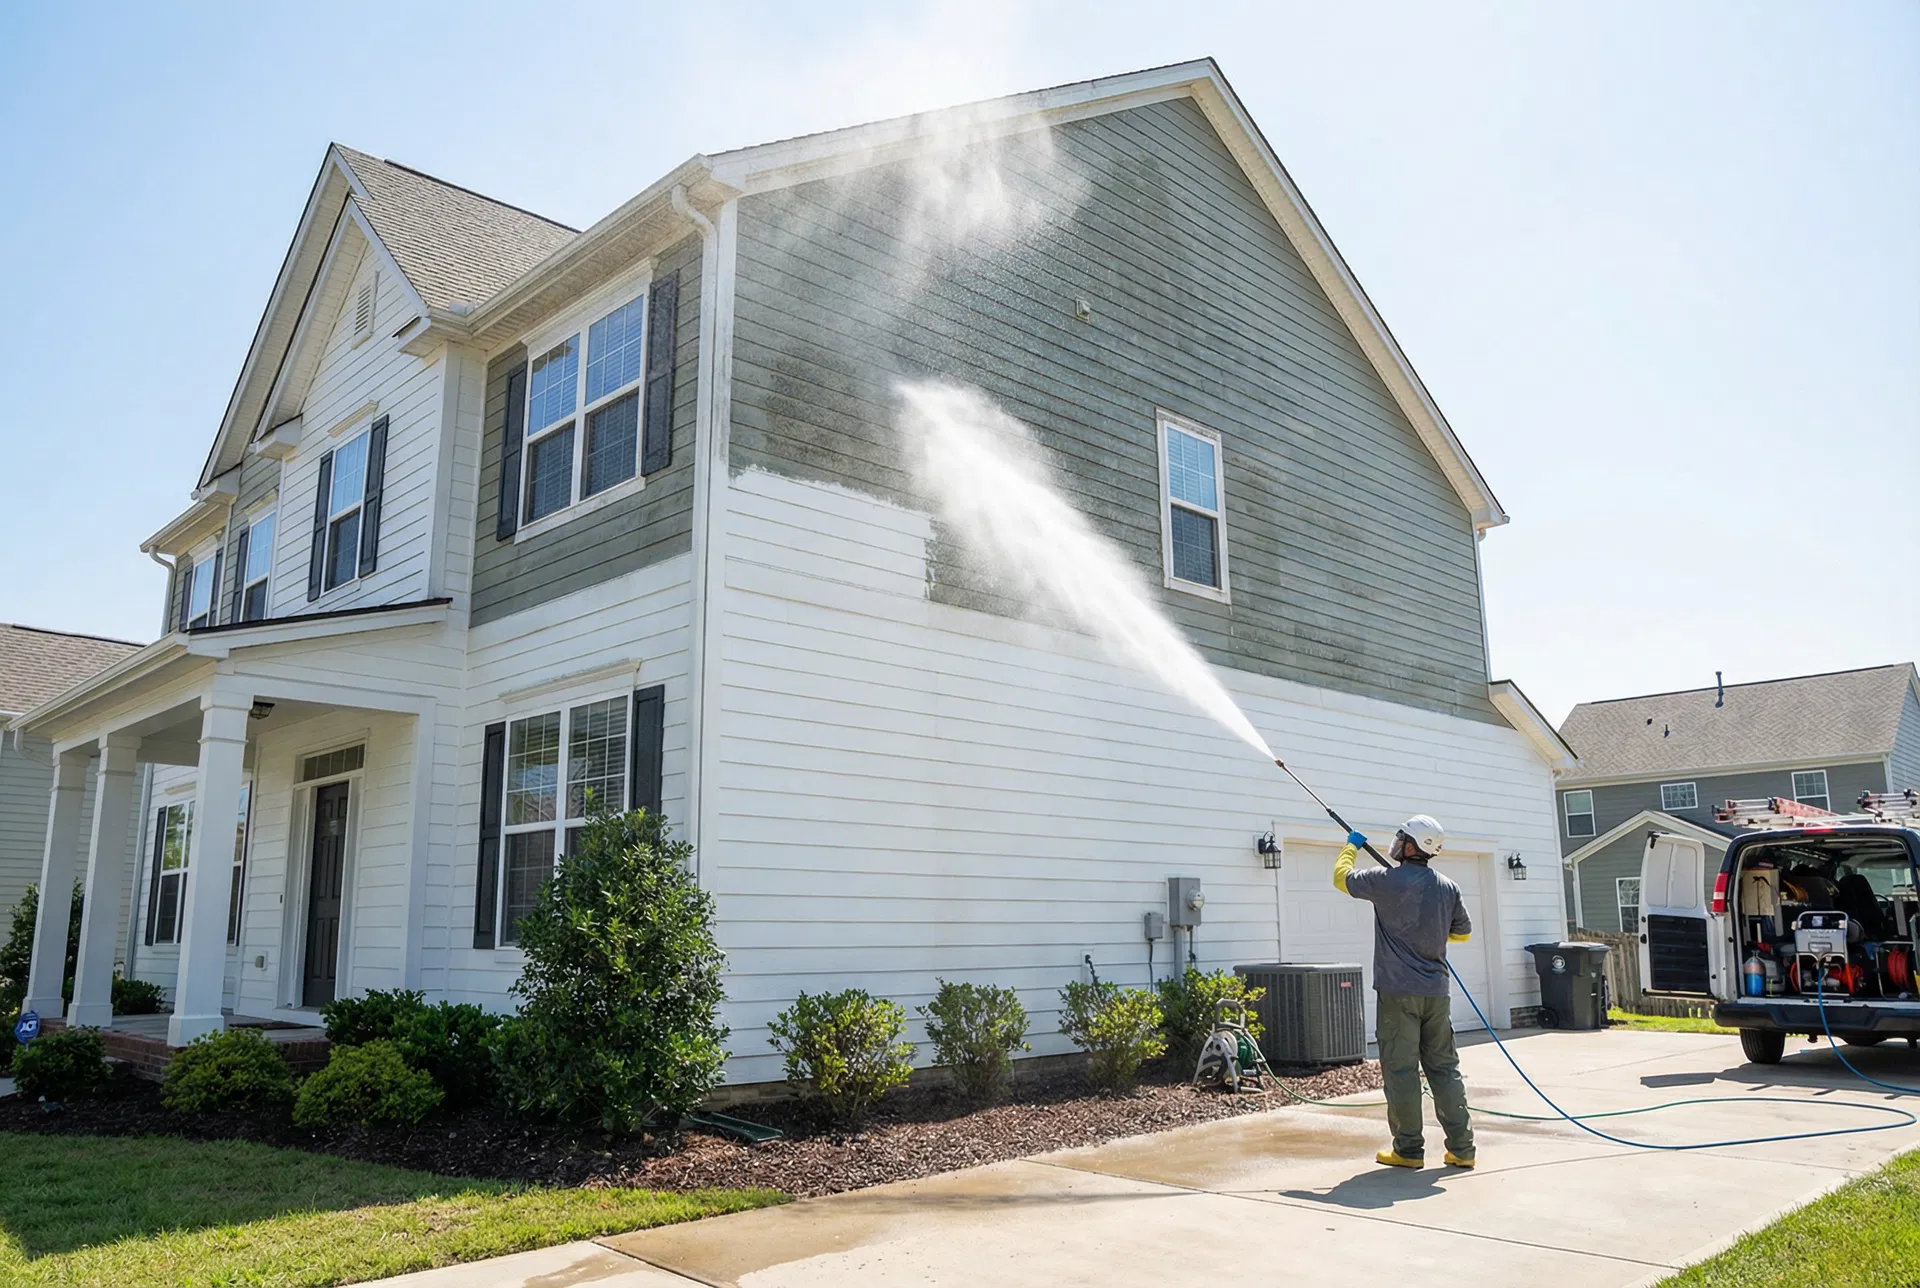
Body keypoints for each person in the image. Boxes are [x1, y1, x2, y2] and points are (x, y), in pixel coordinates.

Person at [1334, 815, 1475, 1170]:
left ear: (1411, 846)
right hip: (1437, 993)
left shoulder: (1385, 880)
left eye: (1400, 838)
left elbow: (1341, 879)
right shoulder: (1448, 887)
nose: (1395, 843)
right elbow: (1462, 934)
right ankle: (1462, 1149)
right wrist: (1427, 933)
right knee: (1445, 1069)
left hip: (1398, 993)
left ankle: (1409, 1150)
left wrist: (1351, 845)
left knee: (1401, 1071)